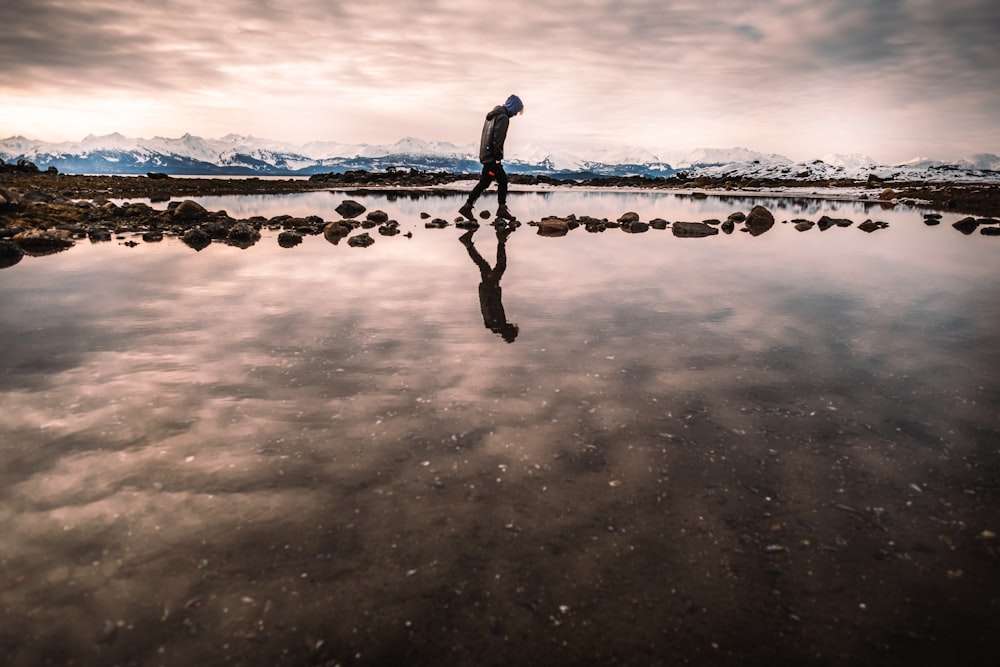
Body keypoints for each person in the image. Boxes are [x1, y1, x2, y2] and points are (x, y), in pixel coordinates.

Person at [459, 94, 524, 222]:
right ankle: (468, 207)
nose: (516, 114)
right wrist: (497, 157)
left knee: (501, 180)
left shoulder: (493, 115)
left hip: (487, 154)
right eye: (516, 110)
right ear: (513, 107)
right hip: (492, 157)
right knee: (486, 182)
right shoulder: (503, 117)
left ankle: (501, 209)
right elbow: (497, 138)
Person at [459, 225, 518, 343]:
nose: (513, 325)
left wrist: (492, 287)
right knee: (489, 265)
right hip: (489, 288)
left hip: (489, 288)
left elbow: (490, 304)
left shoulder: (497, 323)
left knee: (491, 265)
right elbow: (489, 305)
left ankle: (472, 244)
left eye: (512, 328)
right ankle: (497, 241)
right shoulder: (496, 325)